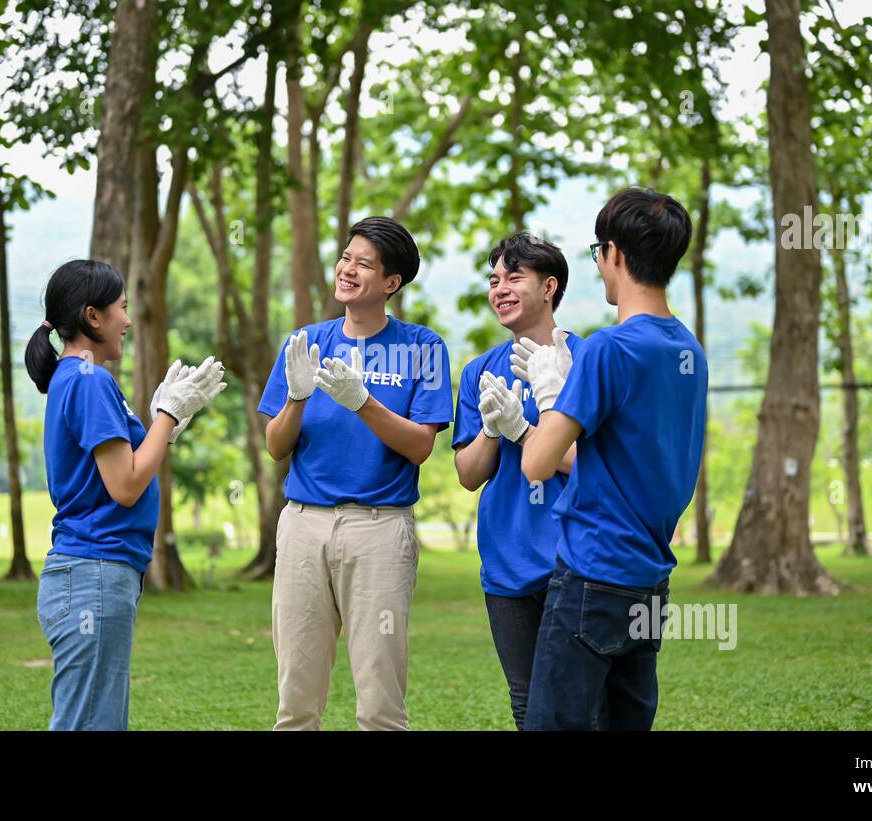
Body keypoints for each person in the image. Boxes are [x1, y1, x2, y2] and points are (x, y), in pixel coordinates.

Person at [517, 188, 708, 731]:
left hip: (592, 573)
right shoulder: (687, 351)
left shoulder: (610, 348)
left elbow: (536, 462)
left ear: (614, 254)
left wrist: (550, 393)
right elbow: (626, 457)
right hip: (649, 580)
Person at [258, 216, 453, 730]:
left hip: (380, 529)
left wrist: (363, 401)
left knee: (380, 702)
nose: (347, 269)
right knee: (296, 699)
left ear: (391, 283)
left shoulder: (424, 348)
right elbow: (276, 446)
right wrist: (298, 397)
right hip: (302, 524)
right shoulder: (305, 343)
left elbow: (420, 447)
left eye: (363, 263)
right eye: (346, 257)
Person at [24, 258, 227, 730]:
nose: (129, 320)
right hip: (93, 574)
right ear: (92, 317)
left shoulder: (75, 378)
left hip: (93, 575)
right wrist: (168, 417)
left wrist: (162, 425)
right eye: (122, 307)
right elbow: (127, 486)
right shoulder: (91, 381)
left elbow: (120, 469)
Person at [452, 231, 582, 730]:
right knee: (526, 701)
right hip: (505, 564)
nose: (500, 288)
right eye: (494, 279)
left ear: (549, 287)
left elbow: (590, 463)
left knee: (577, 700)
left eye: (514, 277)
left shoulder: (587, 361)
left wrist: (526, 432)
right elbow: (468, 475)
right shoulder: (479, 372)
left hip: (573, 560)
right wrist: (490, 430)